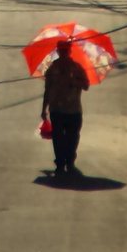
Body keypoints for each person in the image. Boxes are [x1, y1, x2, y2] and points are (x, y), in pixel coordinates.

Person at [41, 39, 89, 176]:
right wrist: (44, 108)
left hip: (74, 109)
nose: (63, 53)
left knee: (73, 137)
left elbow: (86, 86)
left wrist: (74, 81)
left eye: (65, 50)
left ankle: (70, 162)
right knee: (58, 138)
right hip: (57, 109)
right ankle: (60, 163)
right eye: (61, 50)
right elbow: (47, 90)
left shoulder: (77, 68)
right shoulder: (51, 69)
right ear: (57, 51)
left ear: (69, 51)